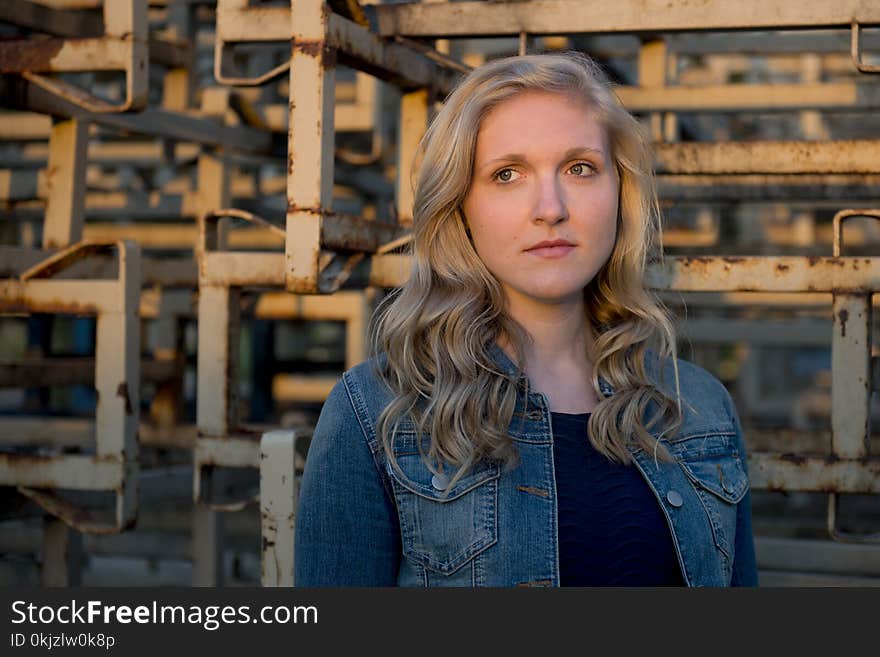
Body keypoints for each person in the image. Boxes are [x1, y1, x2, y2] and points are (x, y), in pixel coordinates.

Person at [294, 52, 758, 587]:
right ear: (460, 207)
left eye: (579, 168)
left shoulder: (700, 407)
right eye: (507, 174)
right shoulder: (375, 412)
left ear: (619, 194)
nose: (550, 207)